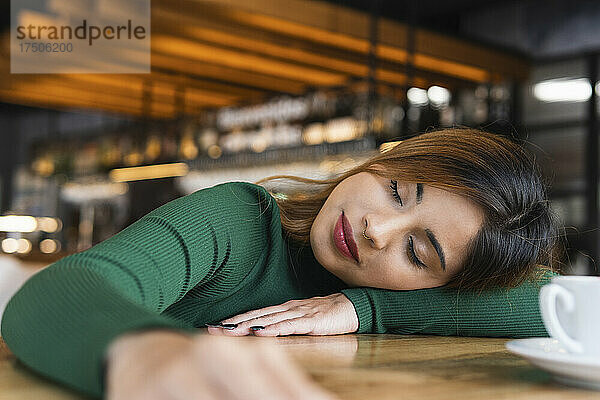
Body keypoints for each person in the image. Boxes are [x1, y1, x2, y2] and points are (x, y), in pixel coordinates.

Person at [1, 128, 561, 400]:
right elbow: (59, 289)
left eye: (417, 252)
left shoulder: (391, 292)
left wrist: (363, 308)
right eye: (396, 190)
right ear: (385, 158)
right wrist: (148, 356)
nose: (377, 229)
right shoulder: (238, 220)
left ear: (443, 285)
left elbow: (555, 302)